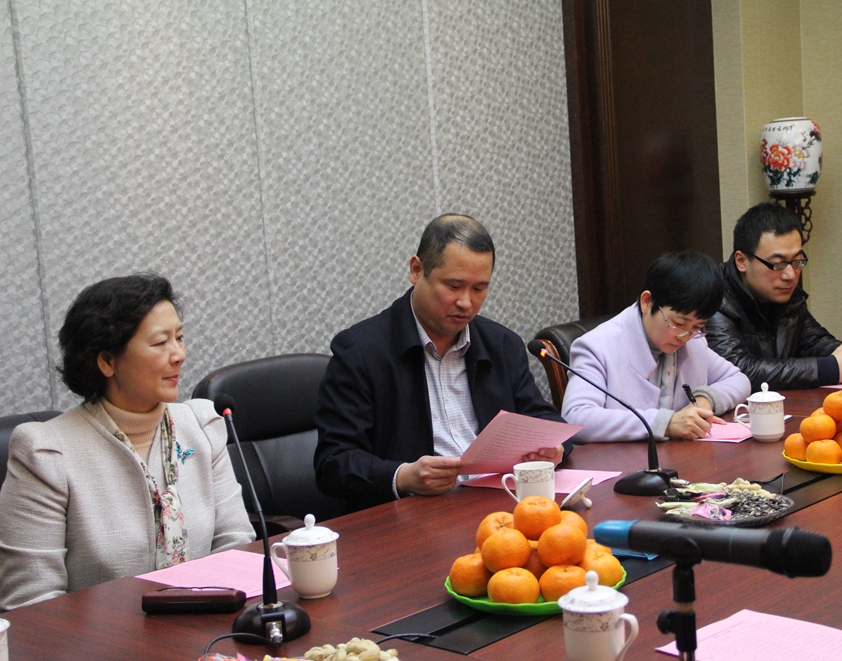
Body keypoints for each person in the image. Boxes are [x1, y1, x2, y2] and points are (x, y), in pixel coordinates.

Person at [0, 274, 254, 611]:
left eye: (179, 338)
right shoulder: (46, 453)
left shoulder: (201, 425)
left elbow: (236, 545)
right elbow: (31, 602)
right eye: (160, 342)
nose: (179, 354)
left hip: (208, 626)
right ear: (107, 361)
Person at [314, 214, 567, 514]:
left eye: (479, 288)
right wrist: (403, 476)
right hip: (413, 516)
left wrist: (555, 448)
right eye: (454, 285)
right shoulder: (361, 351)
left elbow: (544, 421)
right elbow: (334, 463)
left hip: (498, 506)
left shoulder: (501, 344)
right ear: (416, 270)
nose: (466, 302)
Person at [562, 251, 751, 443]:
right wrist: (665, 423)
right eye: (678, 323)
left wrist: (704, 401)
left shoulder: (694, 340)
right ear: (646, 302)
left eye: (697, 327)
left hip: (680, 456)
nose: (685, 337)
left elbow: (738, 380)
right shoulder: (597, 347)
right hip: (623, 459)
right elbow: (576, 417)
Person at [706, 202, 842, 389]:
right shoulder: (712, 297)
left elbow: (814, 341)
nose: (790, 275)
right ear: (742, 261)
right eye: (778, 264)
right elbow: (739, 372)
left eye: (797, 261)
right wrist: (829, 368)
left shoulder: (784, 294)